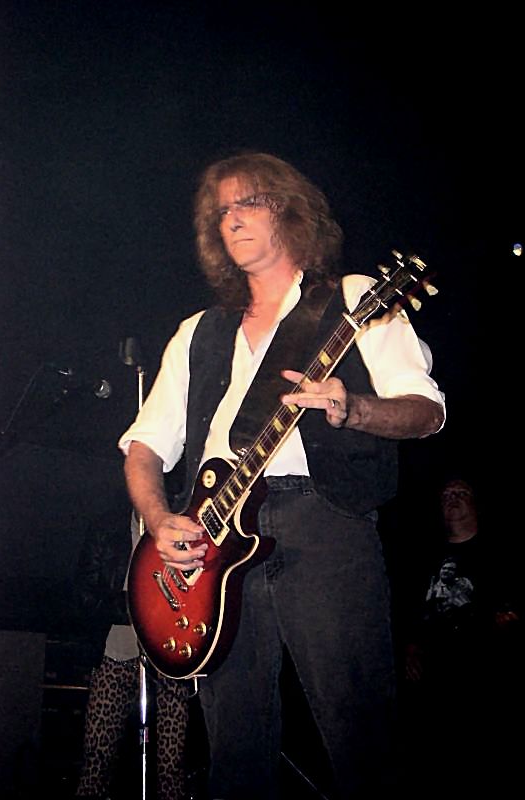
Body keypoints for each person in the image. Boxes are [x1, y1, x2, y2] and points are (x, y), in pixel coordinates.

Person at [117, 151, 446, 799]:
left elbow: (425, 411)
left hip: (322, 521)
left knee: (359, 731)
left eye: (248, 203)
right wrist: (158, 520)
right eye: (221, 212)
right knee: (235, 749)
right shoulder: (198, 332)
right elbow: (143, 448)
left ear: (290, 211)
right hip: (214, 549)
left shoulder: (353, 299)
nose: (232, 220)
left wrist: (351, 408)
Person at [400, 476, 524, 788]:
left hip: (484, 678)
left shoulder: (500, 552)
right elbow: (410, 609)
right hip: (434, 679)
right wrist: (410, 647)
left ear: (476, 503)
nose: (452, 499)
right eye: (446, 495)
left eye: (460, 493)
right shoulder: (424, 556)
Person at [73, 505, 191, 800]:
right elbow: (84, 594)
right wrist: (137, 607)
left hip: (169, 657)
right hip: (115, 652)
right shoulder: (108, 527)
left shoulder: (179, 526)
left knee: (172, 764)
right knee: (97, 757)